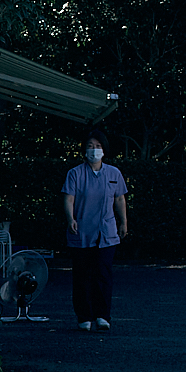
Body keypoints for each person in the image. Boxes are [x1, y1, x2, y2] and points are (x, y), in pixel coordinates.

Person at [60, 135, 128, 332]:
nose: (94, 149)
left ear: (104, 149)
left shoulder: (114, 173)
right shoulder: (75, 173)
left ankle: (102, 316)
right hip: (81, 231)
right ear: (84, 150)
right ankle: (84, 316)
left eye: (98, 146)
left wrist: (123, 222)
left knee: (103, 274)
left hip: (106, 233)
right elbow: (69, 198)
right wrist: (70, 219)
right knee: (82, 276)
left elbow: (120, 199)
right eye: (90, 146)